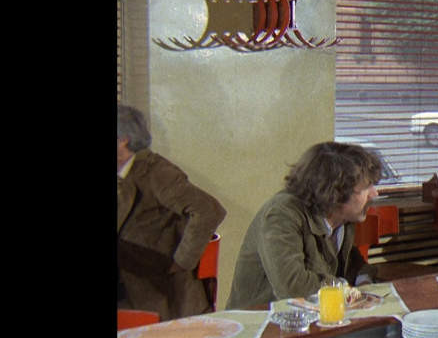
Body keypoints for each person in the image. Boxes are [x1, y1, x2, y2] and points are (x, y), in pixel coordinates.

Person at [226, 142, 381, 309]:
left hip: (311, 316)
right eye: (367, 187)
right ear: (336, 192)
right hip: (262, 319)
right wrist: (344, 288)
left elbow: (352, 264)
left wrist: (363, 281)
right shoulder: (282, 214)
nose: (375, 194)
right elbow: (292, 287)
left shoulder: (343, 219)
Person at [117, 104, 226, 320]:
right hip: (130, 288)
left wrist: (181, 262)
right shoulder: (123, 173)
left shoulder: (155, 171)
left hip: (161, 295)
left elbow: (208, 210)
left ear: (123, 140)